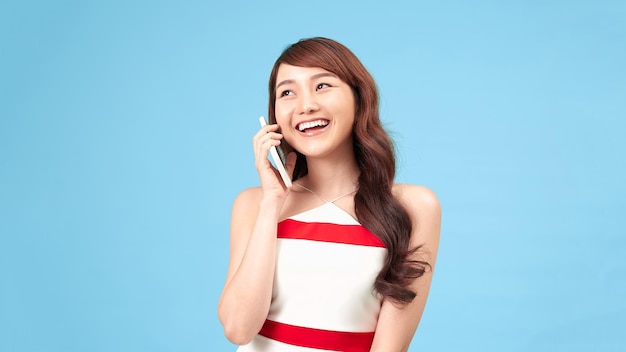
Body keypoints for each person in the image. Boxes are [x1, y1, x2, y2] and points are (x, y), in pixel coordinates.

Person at [218, 37, 441, 352]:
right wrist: (271, 206)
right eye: (287, 92)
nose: (305, 105)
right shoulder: (254, 204)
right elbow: (238, 328)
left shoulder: (413, 207)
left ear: (358, 97)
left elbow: (389, 348)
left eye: (322, 86)